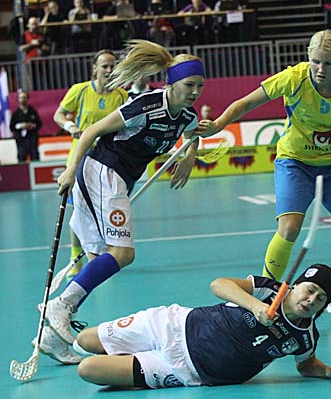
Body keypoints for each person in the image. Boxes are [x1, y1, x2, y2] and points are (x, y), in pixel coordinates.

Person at [196, 29, 331, 328]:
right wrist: (219, 124)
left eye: (328, 63)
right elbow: (246, 102)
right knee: (289, 228)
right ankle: (264, 294)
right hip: (295, 163)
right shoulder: (293, 78)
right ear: (308, 57)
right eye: (315, 62)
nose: (320, 69)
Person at [38, 40, 206, 364]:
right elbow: (92, 131)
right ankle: (59, 306)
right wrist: (70, 170)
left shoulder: (186, 115)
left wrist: (189, 157)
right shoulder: (146, 105)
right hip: (103, 171)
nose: (195, 92)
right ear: (172, 82)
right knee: (123, 254)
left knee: (99, 261)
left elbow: (193, 132)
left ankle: (50, 337)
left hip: (117, 180)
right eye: (189, 85)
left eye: (200, 85)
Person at [73, 263, 331, 388]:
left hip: (186, 370)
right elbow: (218, 285)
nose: (311, 300)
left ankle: (134, 363)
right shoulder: (268, 290)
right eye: (309, 290)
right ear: (295, 285)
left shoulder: (305, 337)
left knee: (88, 369)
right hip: (174, 325)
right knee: (85, 341)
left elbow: (306, 366)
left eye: (320, 299)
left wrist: (327, 372)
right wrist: (256, 306)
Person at [53, 49, 129, 280]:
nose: (109, 70)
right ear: (94, 68)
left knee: (103, 211)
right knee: (78, 211)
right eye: (104, 66)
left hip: (108, 161)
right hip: (80, 158)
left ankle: (99, 255)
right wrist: (71, 127)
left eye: (112, 66)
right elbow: (59, 114)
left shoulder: (122, 96)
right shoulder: (80, 90)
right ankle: (75, 257)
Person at [9, 91, 42, 162]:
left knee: (35, 157)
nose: (23, 99)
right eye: (21, 98)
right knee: (22, 158)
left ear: (27, 99)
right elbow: (12, 127)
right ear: (18, 99)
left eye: (24, 97)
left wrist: (32, 125)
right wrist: (20, 126)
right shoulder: (16, 113)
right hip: (21, 140)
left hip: (32, 139)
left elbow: (39, 124)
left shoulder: (32, 111)